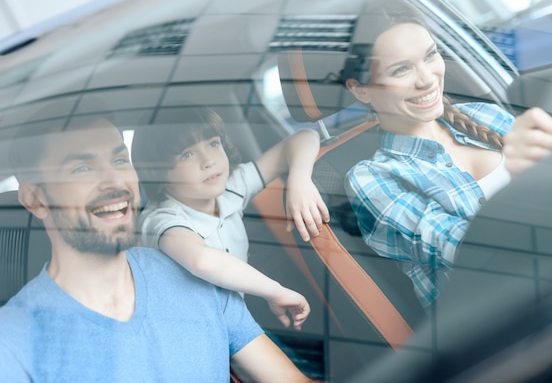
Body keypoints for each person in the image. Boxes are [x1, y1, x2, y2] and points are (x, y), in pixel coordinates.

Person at [0, 112, 323, 382]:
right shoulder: (12, 343)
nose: (114, 181)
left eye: (118, 159)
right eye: (82, 168)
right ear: (35, 198)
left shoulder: (198, 285)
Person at [342, 0, 552, 309]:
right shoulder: (371, 179)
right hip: (516, 318)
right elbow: (469, 252)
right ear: (361, 90)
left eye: (431, 56)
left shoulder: (485, 115)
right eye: (401, 69)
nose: (427, 79)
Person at [131, 107, 329, 330]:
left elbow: (305, 136)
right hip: (194, 330)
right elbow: (203, 260)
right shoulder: (160, 218)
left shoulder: (232, 186)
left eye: (213, 144)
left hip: (235, 318)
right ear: (159, 173)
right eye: (187, 154)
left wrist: (299, 180)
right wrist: (276, 291)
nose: (208, 161)